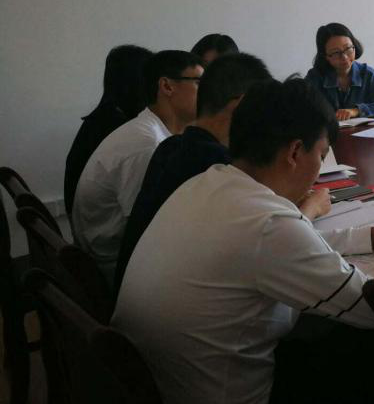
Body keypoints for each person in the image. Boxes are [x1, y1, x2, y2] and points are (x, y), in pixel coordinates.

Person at [112, 77, 374, 404]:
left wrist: (371, 237)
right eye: (322, 154)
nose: (319, 169)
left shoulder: (209, 184)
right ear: (295, 152)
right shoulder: (266, 223)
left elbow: (281, 248)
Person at [113, 53, 273, 295]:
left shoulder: (173, 146)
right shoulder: (216, 165)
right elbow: (266, 236)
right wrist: (311, 207)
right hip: (164, 298)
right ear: (240, 105)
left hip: (137, 288)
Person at [72, 50, 203, 283]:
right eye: (198, 82)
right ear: (167, 86)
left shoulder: (149, 130)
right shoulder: (146, 146)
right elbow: (149, 229)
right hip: (114, 268)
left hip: (112, 256)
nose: (209, 93)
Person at [64, 44, 152, 216]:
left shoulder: (103, 117)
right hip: (101, 227)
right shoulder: (121, 129)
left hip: (87, 222)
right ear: (138, 82)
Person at [304, 22, 374, 120]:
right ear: (325, 56)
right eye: (336, 52)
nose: (344, 57)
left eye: (348, 48)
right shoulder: (315, 78)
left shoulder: (367, 74)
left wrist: (356, 111)